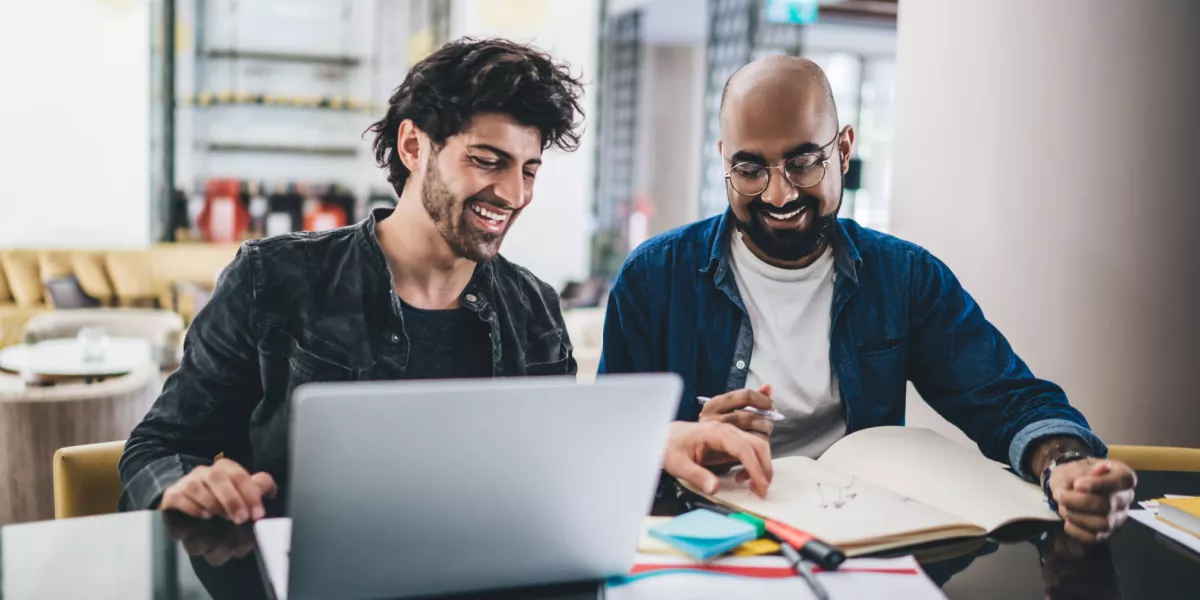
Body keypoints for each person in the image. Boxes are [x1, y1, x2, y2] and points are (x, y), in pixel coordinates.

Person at [599, 55, 1135, 543]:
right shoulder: (654, 278)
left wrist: (1064, 463)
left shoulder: (904, 277)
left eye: (803, 162)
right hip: (703, 546)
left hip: (864, 545)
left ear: (845, 150)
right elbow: (604, 445)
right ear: (724, 162)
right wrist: (679, 441)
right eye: (750, 170)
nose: (778, 195)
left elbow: (1007, 398)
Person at [119, 38, 585, 523]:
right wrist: (184, 485)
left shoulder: (535, 309)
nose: (514, 193)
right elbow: (157, 448)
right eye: (488, 160)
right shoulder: (272, 278)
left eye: (529, 170)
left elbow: (553, 477)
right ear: (414, 146)